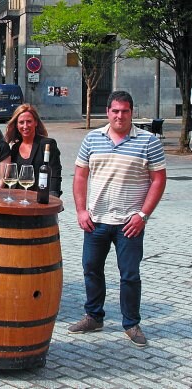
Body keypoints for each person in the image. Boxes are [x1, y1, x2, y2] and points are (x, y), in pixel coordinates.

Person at [69, 91, 166, 347]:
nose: (119, 116)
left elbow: (158, 180)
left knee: (130, 275)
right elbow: (79, 176)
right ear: (108, 112)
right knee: (91, 269)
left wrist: (143, 215)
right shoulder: (92, 139)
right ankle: (94, 316)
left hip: (129, 224)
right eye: (115, 111)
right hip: (97, 220)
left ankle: (131, 323)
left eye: (124, 111)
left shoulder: (148, 141)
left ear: (132, 112)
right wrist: (81, 210)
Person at [4, 104, 62, 197]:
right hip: (18, 200)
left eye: (29, 121)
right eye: (21, 122)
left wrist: (52, 199)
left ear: (36, 122)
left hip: (40, 200)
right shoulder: (14, 148)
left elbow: (54, 175)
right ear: (16, 125)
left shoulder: (47, 145)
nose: (25, 126)